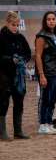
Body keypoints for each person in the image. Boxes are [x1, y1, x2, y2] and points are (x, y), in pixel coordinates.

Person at [0, 11, 31, 140]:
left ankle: (18, 131)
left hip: (19, 76)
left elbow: (28, 53)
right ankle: (2, 132)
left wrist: (23, 59)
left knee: (19, 102)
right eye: (13, 24)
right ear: (7, 23)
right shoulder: (1, 37)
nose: (15, 27)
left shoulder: (21, 38)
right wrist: (10, 59)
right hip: (3, 75)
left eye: (17, 25)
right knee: (3, 103)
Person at [35, 12, 56, 135]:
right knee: (46, 98)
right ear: (45, 21)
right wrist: (41, 74)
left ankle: (48, 123)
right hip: (48, 72)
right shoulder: (41, 36)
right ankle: (42, 124)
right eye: (48, 19)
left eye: (53, 19)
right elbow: (38, 56)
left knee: (53, 99)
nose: (51, 21)